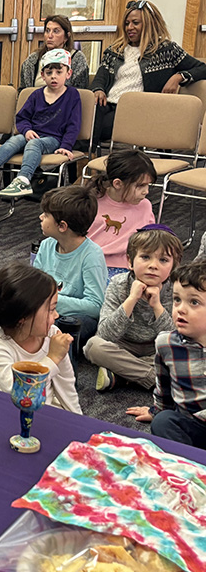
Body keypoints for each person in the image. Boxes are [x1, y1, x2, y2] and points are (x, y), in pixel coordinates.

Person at [0, 262, 82, 414]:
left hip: (44, 407)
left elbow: (66, 385)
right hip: (7, 408)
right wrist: (52, 358)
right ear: (23, 317)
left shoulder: (52, 334)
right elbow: (21, 392)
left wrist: (78, 420)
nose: (56, 316)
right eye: (51, 310)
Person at [90, 0, 206, 149]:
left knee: (93, 127)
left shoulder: (166, 50)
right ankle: (80, 156)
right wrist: (98, 89)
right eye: (127, 23)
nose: (129, 28)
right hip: (109, 107)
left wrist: (178, 77)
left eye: (135, 23)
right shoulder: (115, 50)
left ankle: (81, 157)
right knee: (84, 116)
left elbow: (202, 68)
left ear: (148, 24)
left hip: (141, 110)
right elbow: (101, 77)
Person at [84, 225, 183, 393]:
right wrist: (131, 299)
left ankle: (122, 376)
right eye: (145, 257)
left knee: (187, 355)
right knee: (93, 346)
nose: (153, 265)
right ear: (130, 261)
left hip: (156, 348)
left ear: (174, 266)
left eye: (163, 260)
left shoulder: (177, 289)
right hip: (123, 344)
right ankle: (155, 380)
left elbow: (176, 338)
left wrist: (157, 307)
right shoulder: (118, 284)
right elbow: (105, 334)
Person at [0, 49, 81, 199]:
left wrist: (66, 146)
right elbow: (22, 118)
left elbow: (73, 124)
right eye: (49, 73)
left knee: (34, 144)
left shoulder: (72, 95)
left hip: (54, 139)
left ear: (68, 74)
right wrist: (26, 131)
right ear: (43, 76)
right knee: (14, 140)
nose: (54, 77)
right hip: (32, 134)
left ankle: (23, 180)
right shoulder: (36, 95)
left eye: (59, 72)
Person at [127, 261, 206, 448]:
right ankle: (190, 466)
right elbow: (163, 387)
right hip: (193, 426)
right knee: (164, 422)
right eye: (177, 299)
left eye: (194, 302)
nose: (180, 309)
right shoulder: (166, 343)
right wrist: (156, 411)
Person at [33, 185, 107, 352]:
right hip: (46, 309)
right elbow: (34, 283)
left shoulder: (92, 255)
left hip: (73, 315)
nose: (40, 217)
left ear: (62, 226)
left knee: (70, 326)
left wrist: (51, 301)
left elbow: (95, 306)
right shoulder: (46, 245)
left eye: (46, 215)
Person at [86, 149, 156, 278]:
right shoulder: (91, 202)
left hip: (128, 268)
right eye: (140, 186)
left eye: (148, 185)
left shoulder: (145, 205)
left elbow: (150, 240)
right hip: (90, 265)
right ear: (117, 183)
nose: (146, 191)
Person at [19, 15, 89, 91]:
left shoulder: (77, 58)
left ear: (66, 37)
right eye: (47, 31)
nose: (50, 36)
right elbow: (23, 92)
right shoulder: (33, 59)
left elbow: (80, 91)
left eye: (56, 31)